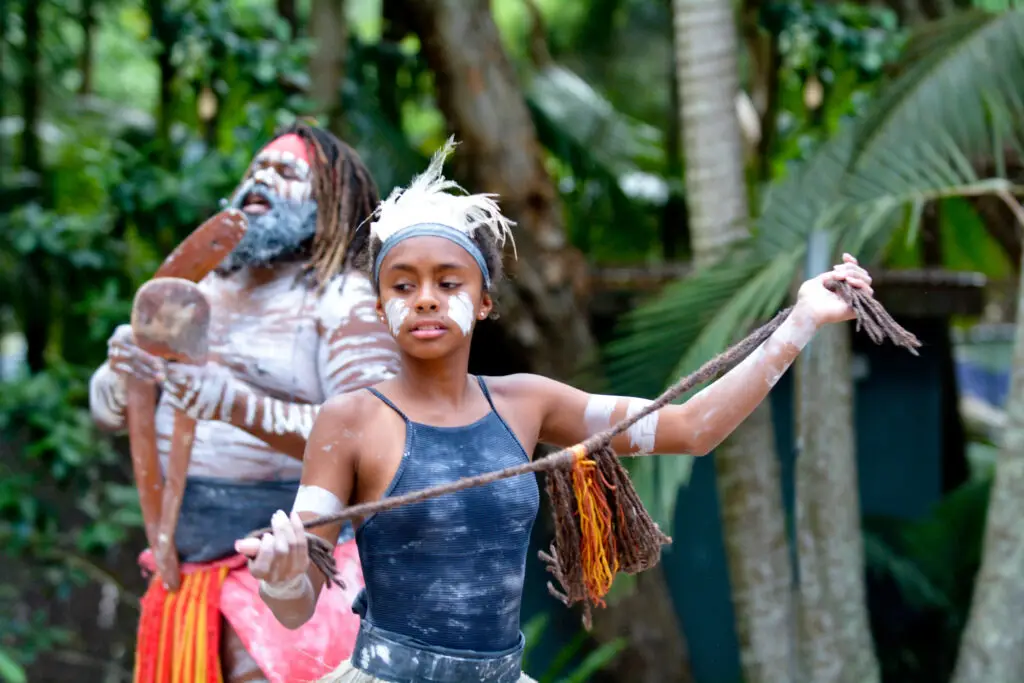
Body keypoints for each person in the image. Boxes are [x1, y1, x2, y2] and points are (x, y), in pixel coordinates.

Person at [234, 139, 874, 683]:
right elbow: (293, 608)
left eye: (448, 283)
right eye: (402, 285)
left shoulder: (528, 403)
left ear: (484, 301)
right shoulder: (348, 420)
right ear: (379, 307)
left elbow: (692, 428)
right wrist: (283, 575)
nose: (425, 299)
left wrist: (803, 321)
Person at [88, 124, 401, 683]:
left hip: (293, 574)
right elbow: (111, 415)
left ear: (331, 202)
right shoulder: (200, 288)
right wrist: (119, 381)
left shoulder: (342, 298)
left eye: (286, 173)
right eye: (255, 169)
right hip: (183, 570)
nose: (260, 178)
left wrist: (238, 406)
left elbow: (377, 440)